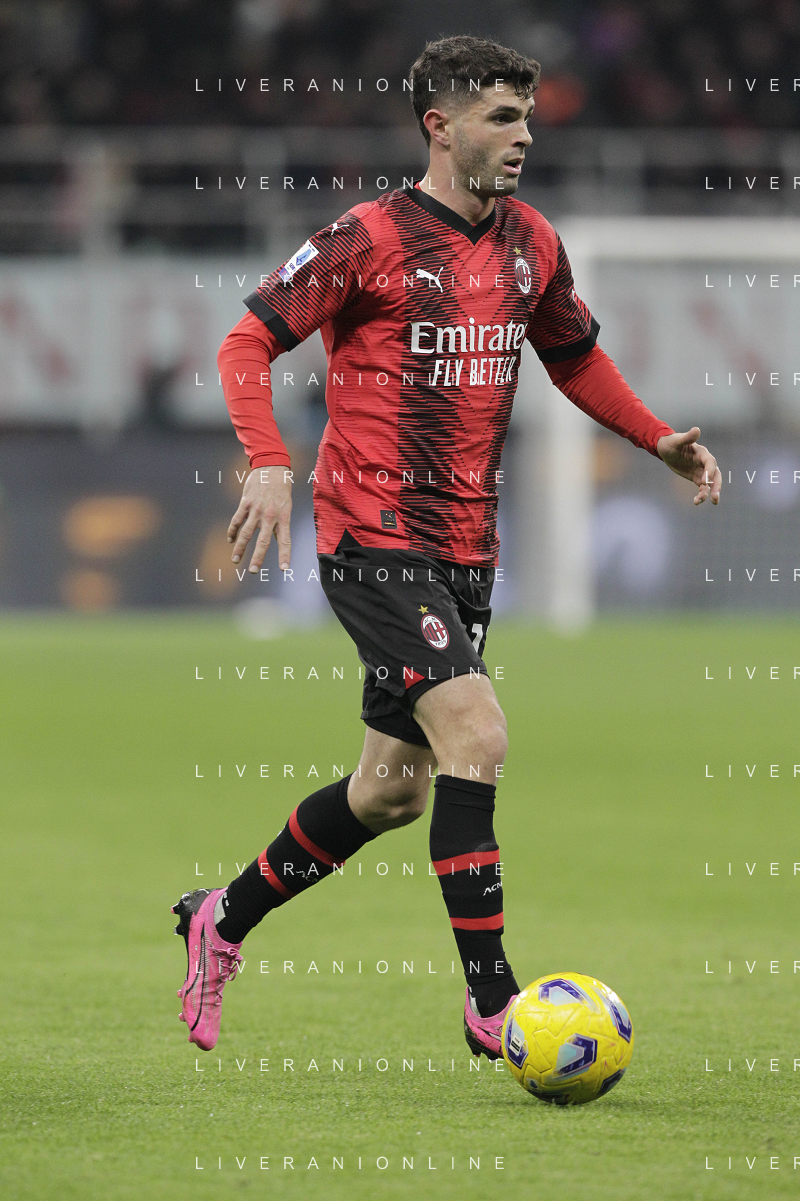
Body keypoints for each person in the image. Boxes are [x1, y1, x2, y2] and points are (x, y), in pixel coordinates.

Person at [171, 35, 721, 1058]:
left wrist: (656, 438)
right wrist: (269, 460)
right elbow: (246, 341)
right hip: (371, 533)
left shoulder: (531, 242)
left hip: (467, 547)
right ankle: (493, 1004)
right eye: (501, 118)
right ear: (440, 126)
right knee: (478, 733)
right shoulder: (365, 237)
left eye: (527, 117)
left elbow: (573, 358)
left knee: (390, 789)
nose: (523, 137)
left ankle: (221, 917)